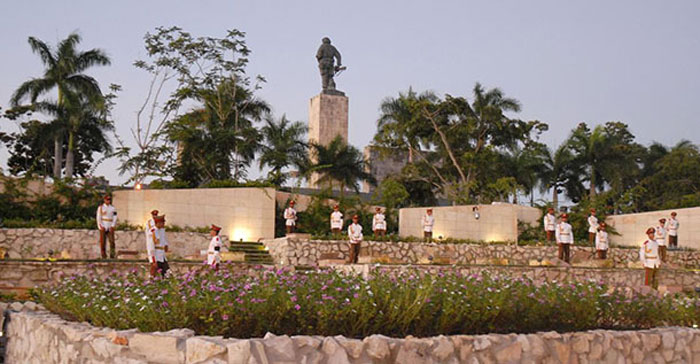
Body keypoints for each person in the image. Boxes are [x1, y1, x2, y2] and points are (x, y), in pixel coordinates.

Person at [96, 194, 118, 259]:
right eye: (107, 199)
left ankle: (112, 255)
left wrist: (113, 225)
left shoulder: (113, 208)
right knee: (103, 242)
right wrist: (100, 226)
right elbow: (98, 217)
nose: (108, 201)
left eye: (109, 200)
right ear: (104, 200)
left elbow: (115, 217)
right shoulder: (101, 208)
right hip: (103, 224)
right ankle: (103, 256)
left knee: (112, 242)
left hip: (110, 224)